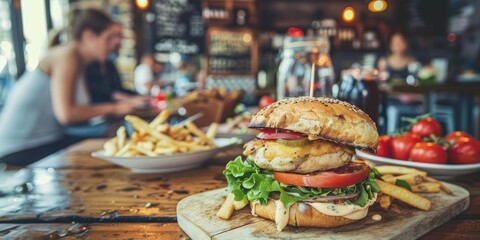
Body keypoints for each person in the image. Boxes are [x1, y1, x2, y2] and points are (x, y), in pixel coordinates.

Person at [0, 9, 141, 165]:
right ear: (89, 36)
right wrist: (115, 108)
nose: (116, 43)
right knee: (109, 153)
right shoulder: (68, 55)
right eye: (110, 38)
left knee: (112, 143)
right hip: (21, 150)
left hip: (47, 141)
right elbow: (66, 115)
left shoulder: (79, 61)